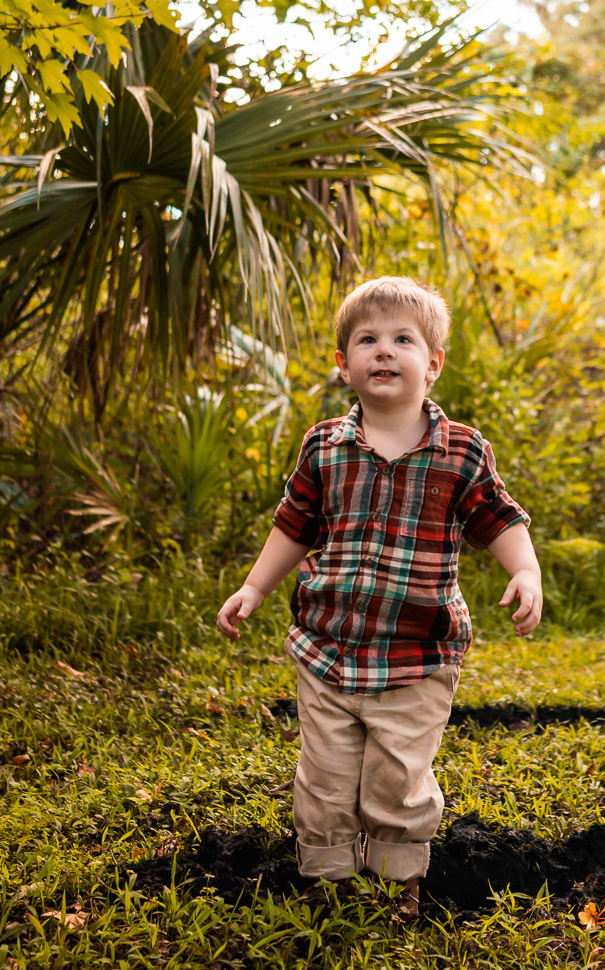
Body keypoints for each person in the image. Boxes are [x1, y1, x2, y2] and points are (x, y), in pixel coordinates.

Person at [216, 276, 542, 918]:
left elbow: (500, 518)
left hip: (417, 656)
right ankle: (327, 875)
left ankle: (398, 879)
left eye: (402, 339)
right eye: (368, 340)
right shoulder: (325, 446)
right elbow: (293, 523)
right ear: (344, 365)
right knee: (326, 778)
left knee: (397, 777)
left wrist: (525, 571)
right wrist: (255, 586)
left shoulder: (460, 452)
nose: (384, 351)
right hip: (329, 647)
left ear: (433, 362)